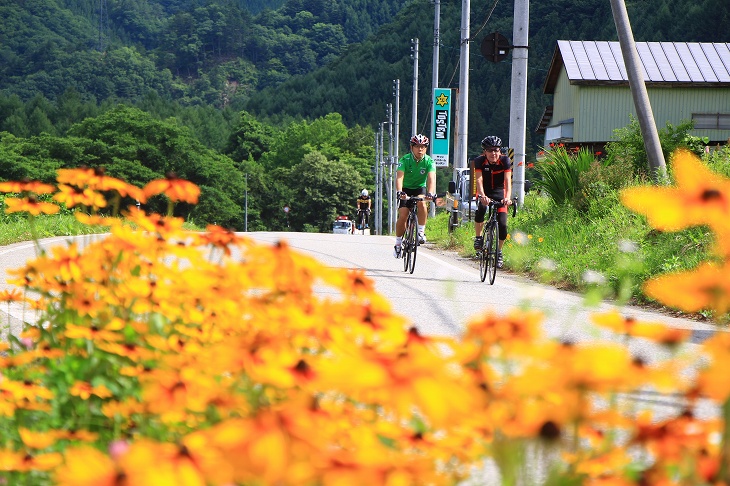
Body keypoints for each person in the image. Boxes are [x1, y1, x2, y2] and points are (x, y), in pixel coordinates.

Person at [393, 134, 436, 258]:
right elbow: (399, 177)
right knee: (403, 215)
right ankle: (397, 243)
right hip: (405, 189)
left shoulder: (429, 161)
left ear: (426, 148)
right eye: (417, 146)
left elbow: (431, 178)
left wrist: (431, 193)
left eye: (423, 146)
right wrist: (399, 191)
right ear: (412, 147)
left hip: (419, 188)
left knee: (422, 203)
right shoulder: (405, 160)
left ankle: (421, 232)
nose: (420, 149)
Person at [472, 135, 512, 269]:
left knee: (503, 224)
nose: (493, 153)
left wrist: (507, 198)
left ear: (500, 151)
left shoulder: (505, 161)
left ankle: (499, 251)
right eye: (490, 150)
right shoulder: (479, 161)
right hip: (485, 191)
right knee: (481, 209)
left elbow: (507, 181)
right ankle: (478, 237)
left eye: (496, 150)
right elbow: (478, 180)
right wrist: (482, 195)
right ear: (485, 152)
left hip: (500, 192)